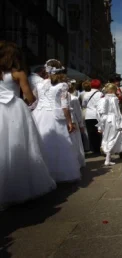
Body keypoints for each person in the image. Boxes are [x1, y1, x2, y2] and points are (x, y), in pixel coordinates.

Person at [0, 41, 56, 209]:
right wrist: (33, 102)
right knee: (22, 147)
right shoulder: (18, 73)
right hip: (15, 109)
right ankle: (20, 187)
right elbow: (29, 96)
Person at [33, 59, 81, 182]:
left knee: (41, 142)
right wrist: (70, 122)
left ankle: (43, 172)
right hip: (54, 116)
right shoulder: (63, 85)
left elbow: (34, 101)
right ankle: (57, 173)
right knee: (59, 145)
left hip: (39, 115)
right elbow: (64, 106)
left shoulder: (39, 85)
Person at [97, 83, 122, 166]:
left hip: (104, 120)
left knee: (106, 137)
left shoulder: (102, 99)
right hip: (113, 119)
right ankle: (107, 159)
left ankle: (108, 157)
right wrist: (119, 122)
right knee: (112, 137)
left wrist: (99, 125)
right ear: (112, 90)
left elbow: (98, 112)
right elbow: (117, 111)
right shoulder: (114, 98)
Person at [82, 79, 103, 154]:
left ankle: (94, 149)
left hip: (89, 115)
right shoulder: (100, 94)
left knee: (91, 133)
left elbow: (84, 105)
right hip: (98, 115)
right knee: (99, 132)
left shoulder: (86, 94)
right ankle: (100, 148)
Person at [68, 82, 86, 168]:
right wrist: (81, 124)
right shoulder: (74, 98)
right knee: (76, 140)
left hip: (64, 119)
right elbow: (78, 112)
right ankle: (77, 160)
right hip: (73, 119)